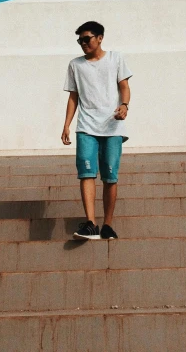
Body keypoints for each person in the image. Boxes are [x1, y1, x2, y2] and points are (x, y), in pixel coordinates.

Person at [61, 21, 132, 240]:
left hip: (112, 125)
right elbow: (73, 96)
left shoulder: (115, 58)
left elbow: (124, 86)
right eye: (80, 40)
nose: (83, 43)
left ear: (99, 38)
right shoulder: (75, 65)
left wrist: (124, 105)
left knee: (110, 176)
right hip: (86, 126)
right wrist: (66, 124)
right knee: (86, 173)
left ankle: (107, 224)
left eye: (87, 39)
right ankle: (91, 223)